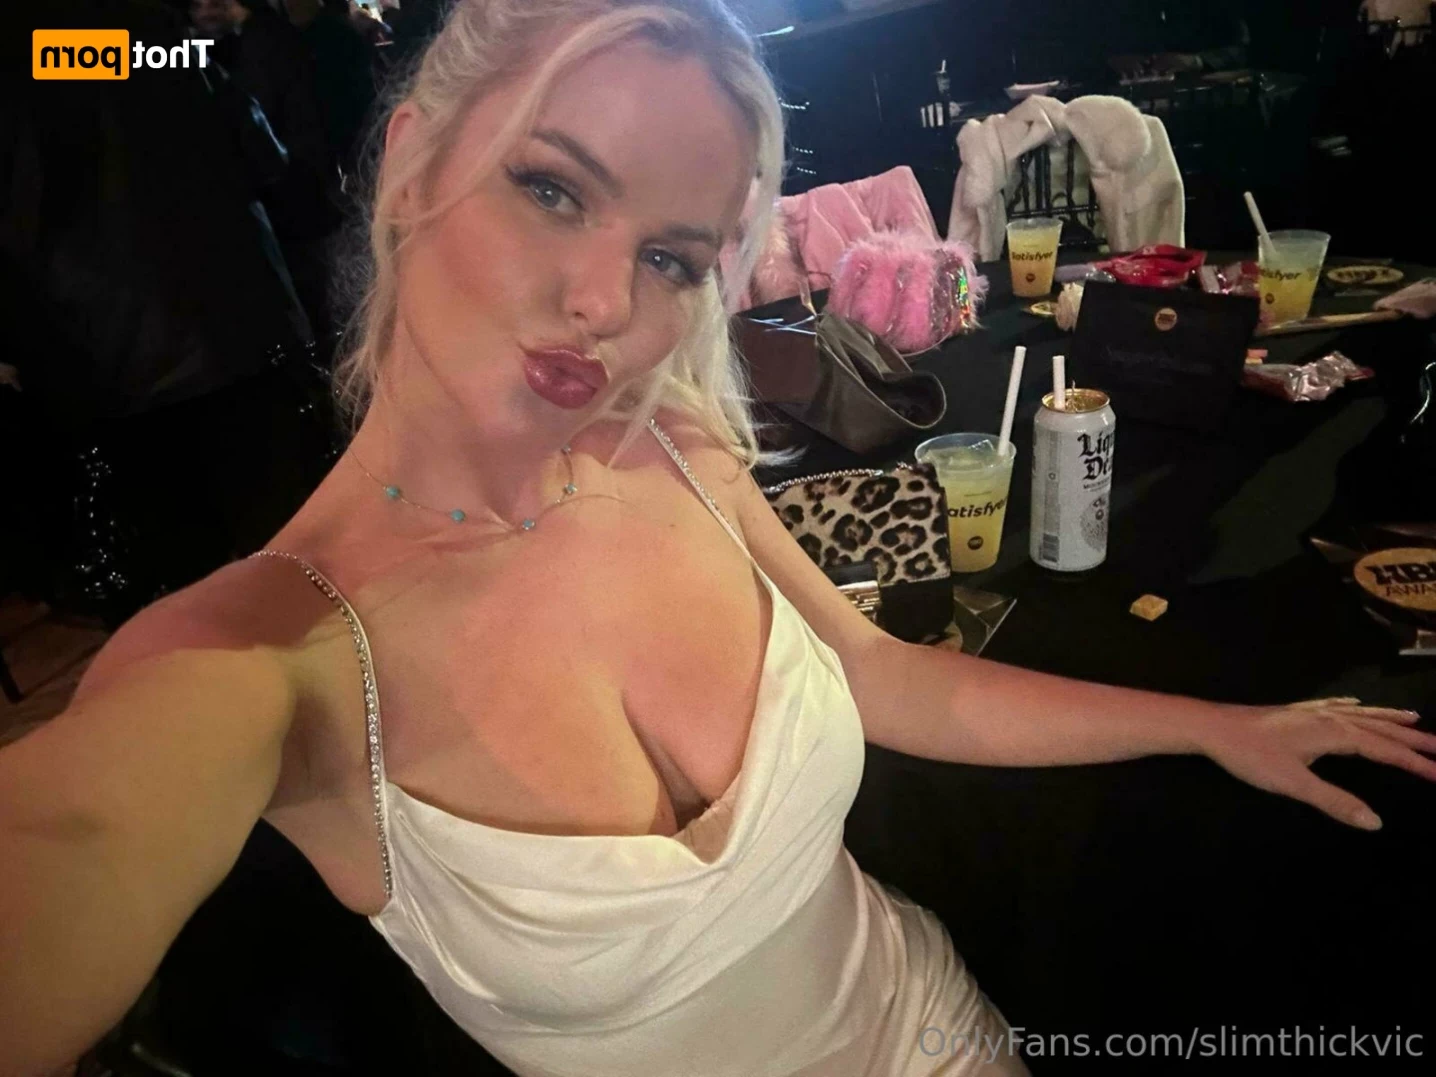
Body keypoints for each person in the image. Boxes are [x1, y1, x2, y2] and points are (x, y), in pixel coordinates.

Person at [3, 2, 1433, 1075]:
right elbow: (69, 843)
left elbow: (885, 676)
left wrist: (1213, 727)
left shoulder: (672, 447)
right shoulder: (265, 658)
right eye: (552, 188)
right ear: (410, 160)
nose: (604, 304)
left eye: (672, 258)